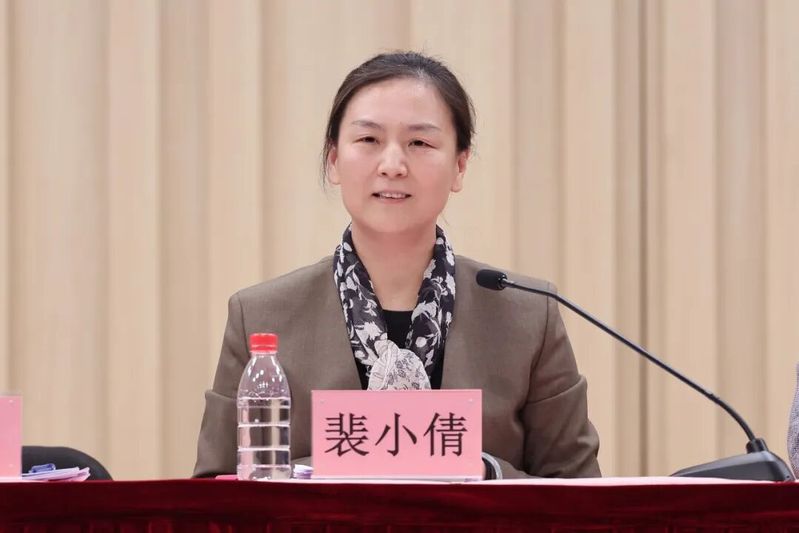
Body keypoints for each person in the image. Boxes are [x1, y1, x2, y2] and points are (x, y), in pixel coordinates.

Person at [193, 51, 600, 479]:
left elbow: (581, 492)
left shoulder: (527, 316)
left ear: (460, 165)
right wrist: (325, 473)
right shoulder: (261, 316)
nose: (392, 166)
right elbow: (212, 495)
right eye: (369, 140)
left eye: (419, 143)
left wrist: (485, 472)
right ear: (334, 159)